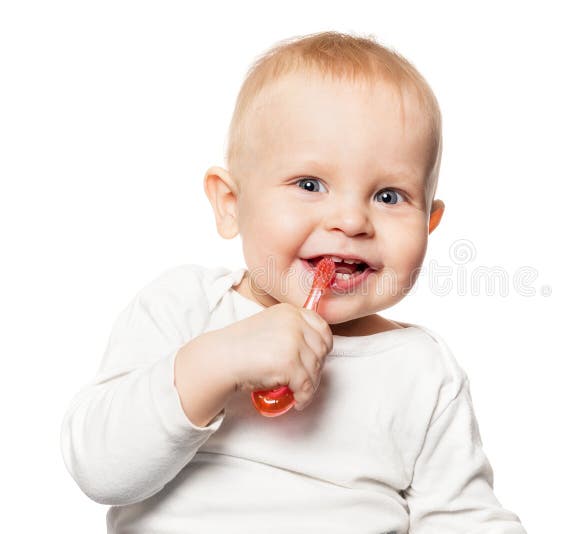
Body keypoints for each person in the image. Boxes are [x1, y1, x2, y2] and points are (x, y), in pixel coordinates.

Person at [61, 31, 527, 533]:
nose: (351, 220)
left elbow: (464, 519)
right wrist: (217, 361)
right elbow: (99, 468)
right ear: (230, 204)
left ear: (429, 224)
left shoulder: (422, 370)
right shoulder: (186, 308)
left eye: (389, 196)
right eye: (310, 185)